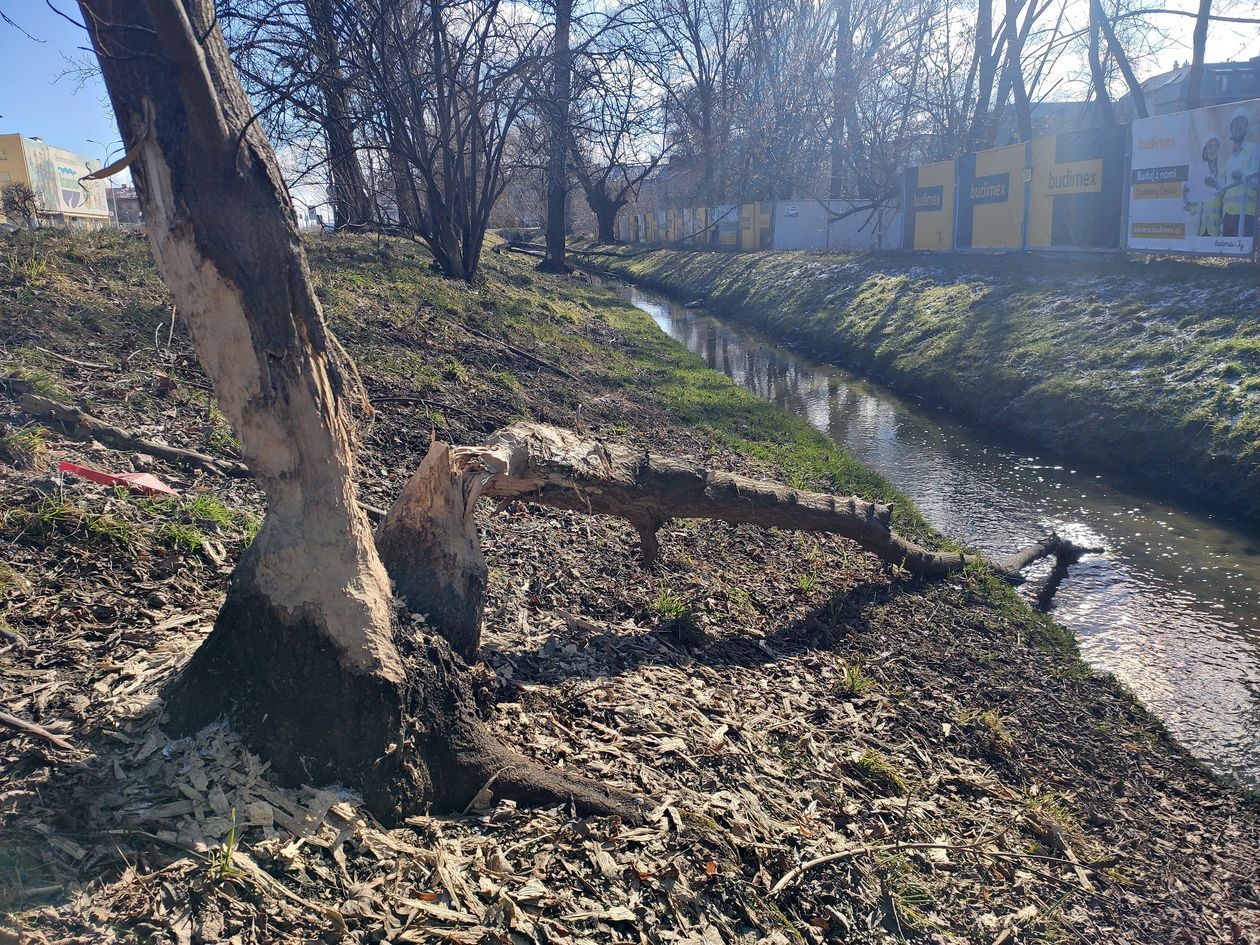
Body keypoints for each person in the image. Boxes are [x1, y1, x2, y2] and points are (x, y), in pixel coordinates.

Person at [1221, 107, 1258, 238]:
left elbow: (1256, 183)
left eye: (1242, 123)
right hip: (1228, 216)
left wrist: (1242, 177)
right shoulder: (1230, 159)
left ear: (1246, 127)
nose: (1238, 127)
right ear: (1232, 130)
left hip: (1245, 214)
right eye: (1235, 124)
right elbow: (1223, 188)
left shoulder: (1254, 150)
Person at [1184, 134, 1223, 237]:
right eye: (1210, 146)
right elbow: (1188, 205)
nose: (1213, 149)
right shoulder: (1196, 173)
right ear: (1205, 152)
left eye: (1215, 145)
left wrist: (1216, 185)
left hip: (1214, 230)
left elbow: (1225, 198)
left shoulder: (1223, 172)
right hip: (1197, 229)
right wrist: (1185, 196)